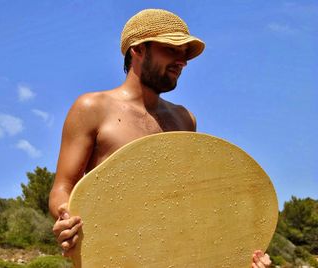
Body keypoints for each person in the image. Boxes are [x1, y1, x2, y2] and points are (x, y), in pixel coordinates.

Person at [49, 9, 272, 267]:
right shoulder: (93, 108)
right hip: (115, 255)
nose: (183, 61)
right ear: (138, 49)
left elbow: (189, 205)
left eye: (185, 54)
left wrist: (237, 252)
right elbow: (62, 187)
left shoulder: (184, 120)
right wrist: (67, 216)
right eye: (172, 49)